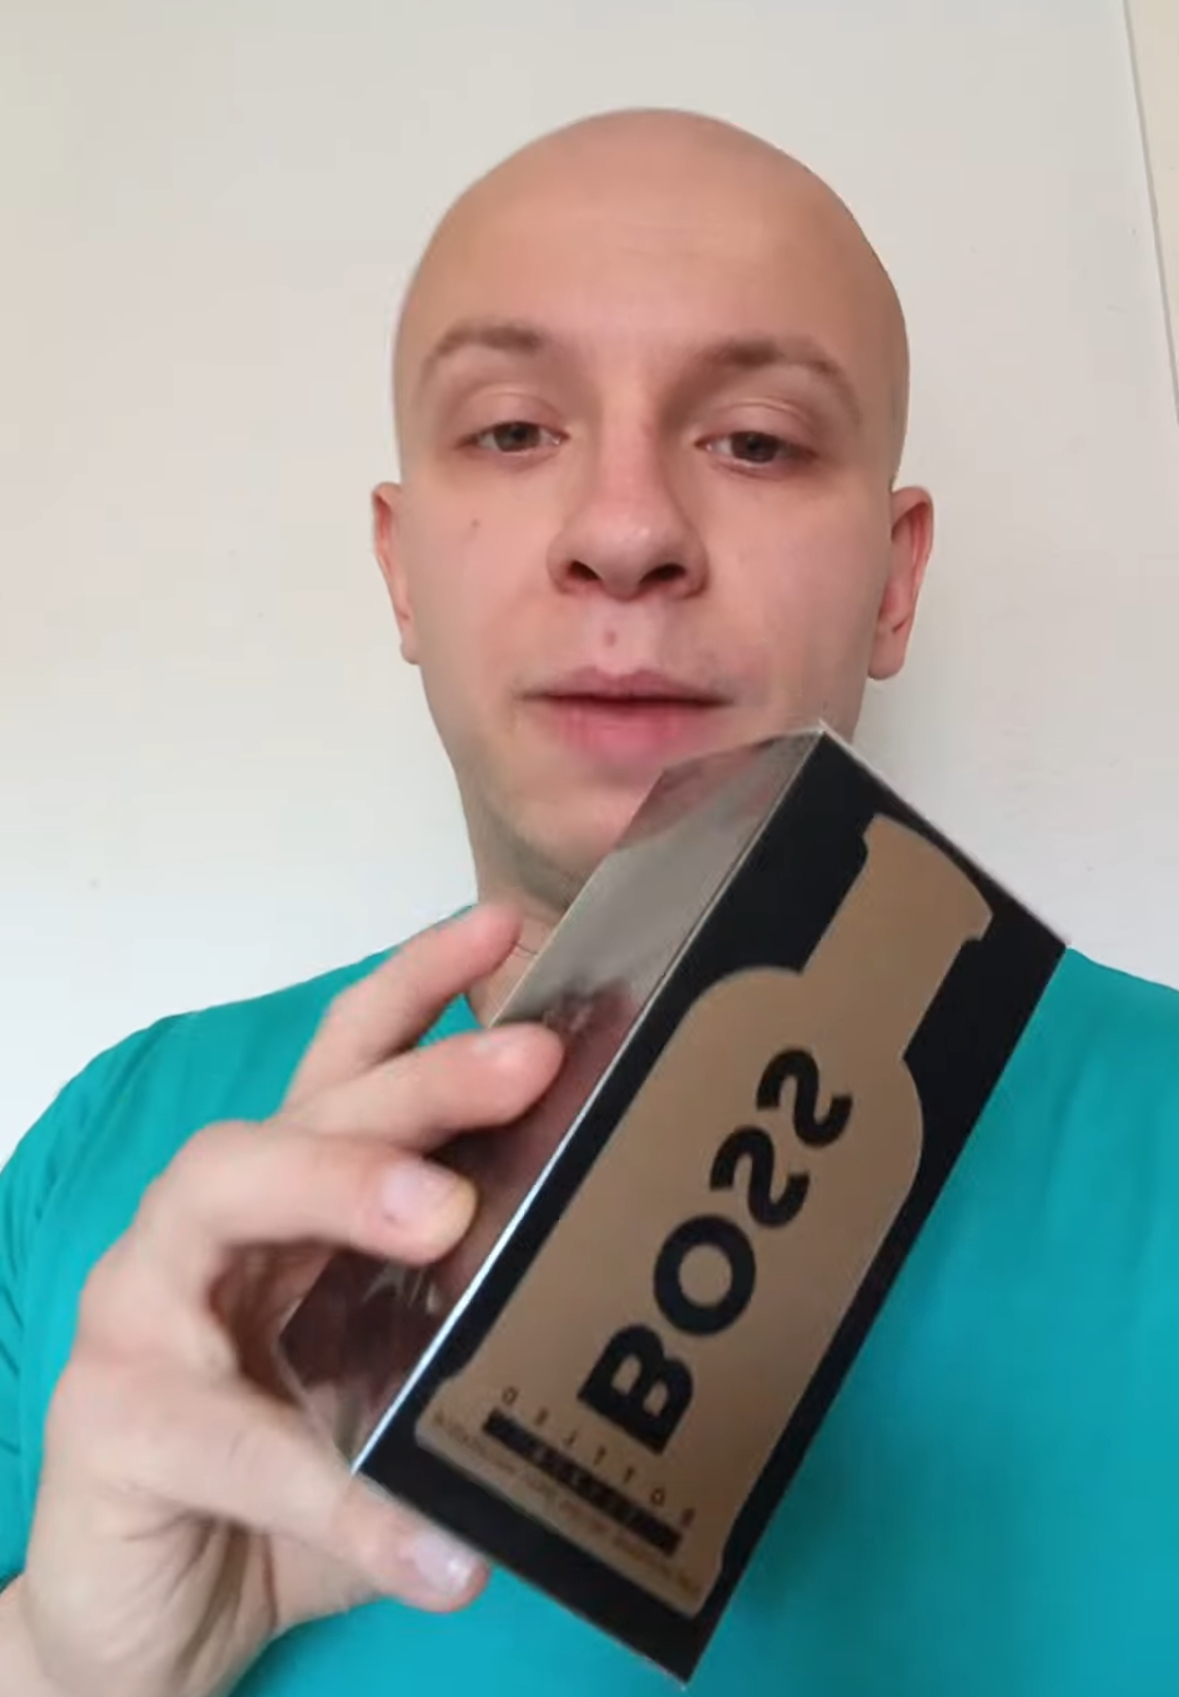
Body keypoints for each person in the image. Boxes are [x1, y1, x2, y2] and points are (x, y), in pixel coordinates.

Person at [3, 107, 1179, 1697]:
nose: (627, 533)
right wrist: (67, 1665)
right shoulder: (107, 1159)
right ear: (400, 569)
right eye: (510, 431)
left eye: (756, 440)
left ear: (896, 580)